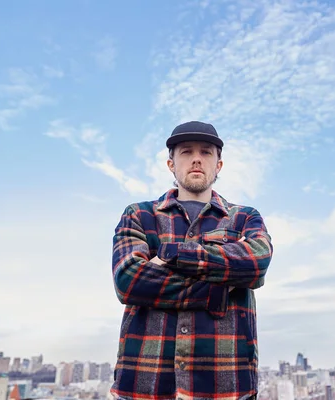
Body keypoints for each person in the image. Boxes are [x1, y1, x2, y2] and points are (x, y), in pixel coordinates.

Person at [110, 121, 274, 400]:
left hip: (227, 385)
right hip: (144, 384)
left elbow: (257, 263)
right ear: (171, 164)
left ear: (218, 165)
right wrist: (219, 287)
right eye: (186, 151)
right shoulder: (138, 215)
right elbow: (129, 281)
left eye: (206, 152)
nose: (197, 158)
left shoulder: (245, 217)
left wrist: (170, 255)